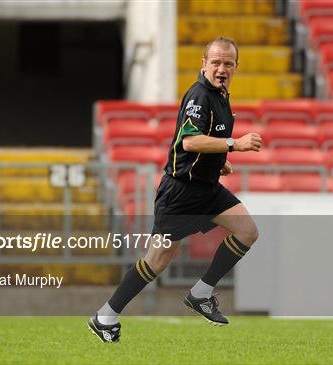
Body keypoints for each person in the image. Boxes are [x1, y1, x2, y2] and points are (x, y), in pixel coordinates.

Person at [88, 36, 263, 343]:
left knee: (247, 231)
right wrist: (235, 145)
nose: (222, 68)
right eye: (216, 62)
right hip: (181, 193)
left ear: (236, 67)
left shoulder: (221, 95)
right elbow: (189, 141)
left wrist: (218, 162)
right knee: (157, 259)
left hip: (206, 188)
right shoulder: (200, 96)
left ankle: (201, 293)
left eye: (228, 63)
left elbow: (203, 143)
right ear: (204, 64)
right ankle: (105, 316)